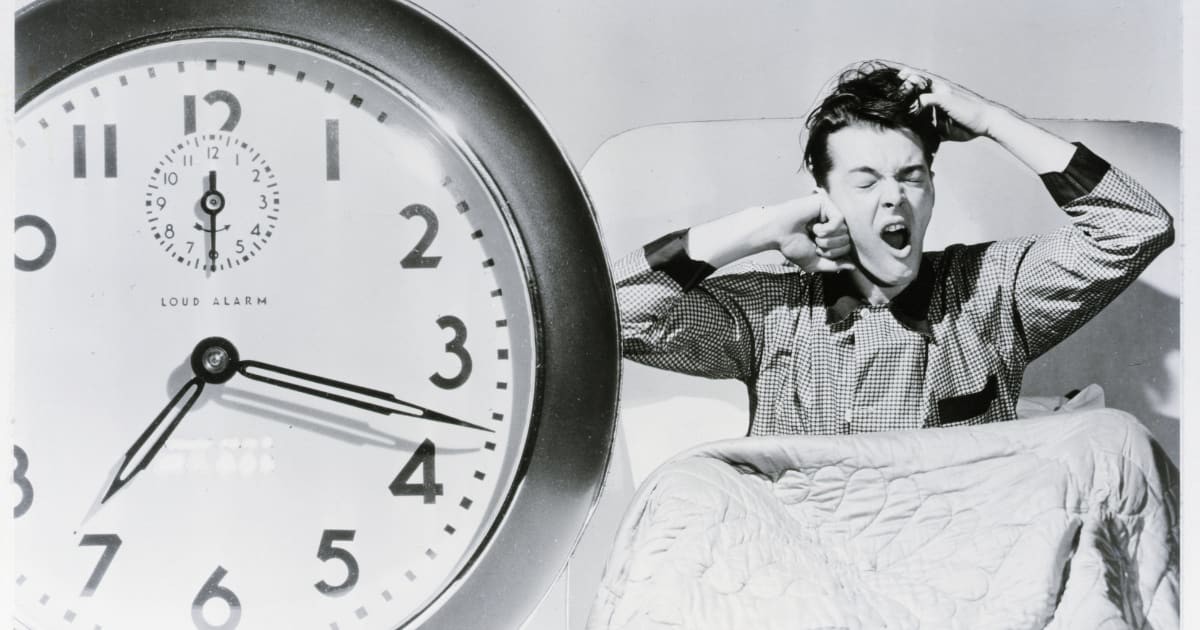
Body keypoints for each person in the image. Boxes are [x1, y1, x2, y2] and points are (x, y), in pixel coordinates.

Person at [613, 61, 1174, 437]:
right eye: (865, 182)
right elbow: (605, 317)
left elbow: (1138, 226)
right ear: (822, 193)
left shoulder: (991, 289)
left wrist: (993, 120)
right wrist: (760, 226)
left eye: (911, 176)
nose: (895, 200)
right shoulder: (773, 316)